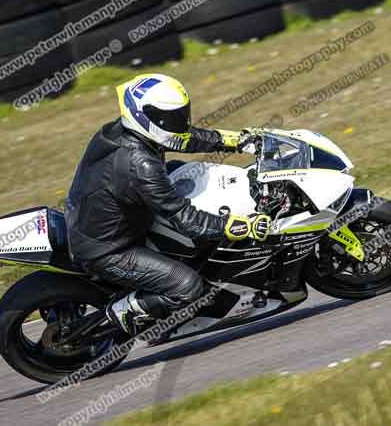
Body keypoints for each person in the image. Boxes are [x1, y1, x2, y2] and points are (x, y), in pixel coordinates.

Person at [65, 73, 267, 335]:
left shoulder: (124, 131)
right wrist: (239, 226)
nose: (179, 123)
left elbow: (183, 136)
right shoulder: (140, 164)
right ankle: (124, 314)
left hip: (103, 217)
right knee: (189, 287)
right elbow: (185, 218)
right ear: (144, 117)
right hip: (110, 250)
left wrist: (236, 140)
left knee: (190, 174)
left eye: (181, 115)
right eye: (171, 118)